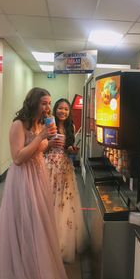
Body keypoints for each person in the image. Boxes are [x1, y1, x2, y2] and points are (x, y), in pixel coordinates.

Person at [0, 88, 68, 279]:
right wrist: (41, 138)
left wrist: (50, 143)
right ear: (33, 103)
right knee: (23, 219)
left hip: (38, 175)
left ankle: (34, 264)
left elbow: (37, 151)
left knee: (38, 219)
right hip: (23, 177)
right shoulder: (18, 124)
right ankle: (18, 266)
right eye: (44, 103)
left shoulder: (39, 124)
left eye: (49, 103)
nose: (48, 108)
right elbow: (17, 158)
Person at [45, 98, 88, 264]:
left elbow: (69, 150)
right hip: (50, 166)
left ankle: (63, 242)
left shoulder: (71, 127)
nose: (63, 111)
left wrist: (72, 150)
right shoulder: (48, 125)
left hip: (66, 167)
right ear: (55, 109)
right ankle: (49, 243)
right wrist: (49, 143)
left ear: (69, 112)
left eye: (66, 109)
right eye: (60, 108)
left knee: (65, 202)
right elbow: (41, 147)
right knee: (50, 201)